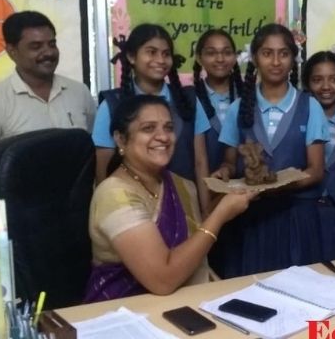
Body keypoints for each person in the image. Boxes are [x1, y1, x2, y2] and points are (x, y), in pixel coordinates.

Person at [85, 95, 255, 302]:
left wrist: (229, 197)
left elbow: (195, 254)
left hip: (187, 304)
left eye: (168, 128)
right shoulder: (114, 195)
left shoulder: (182, 185)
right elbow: (163, 281)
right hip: (126, 310)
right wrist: (220, 215)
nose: (163, 137)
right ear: (121, 139)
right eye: (148, 128)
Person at [212, 23, 328, 277]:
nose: (276, 62)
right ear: (255, 58)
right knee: (251, 288)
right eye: (267, 53)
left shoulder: (310, 107)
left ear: (293, 59)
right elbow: (230, 162)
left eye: (283, 54)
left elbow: (316, 170)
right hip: (250, 219)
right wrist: (224, 172)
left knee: (297, 288)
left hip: (296, 219)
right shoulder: (238, 108)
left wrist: (281, 186)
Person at [0, 11, 96, 184]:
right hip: (20, 200)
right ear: (12, 52)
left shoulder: (79, 92)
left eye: (52, 44)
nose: (48, 53)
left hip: (79, 198)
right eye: (36, 47)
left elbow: (91, 147)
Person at [92, 23, 212, 213]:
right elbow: (103, 170)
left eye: (166, 54)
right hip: (133, 210)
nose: (160, 60)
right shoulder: (111, 105)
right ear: (131, 56)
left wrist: (205, 212)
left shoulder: (188, 100)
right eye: (151, 52)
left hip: (185, 209)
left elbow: (200, 162)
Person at [301, 51, 335, 261]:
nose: (326, 86)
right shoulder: (298, 118)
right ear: (307, 83)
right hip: (304, 210)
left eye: (334, 79)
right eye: (317, 80)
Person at [192, 29, 243, 178]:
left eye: (227, 52)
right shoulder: (189, 99)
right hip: (201, 183)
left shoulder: (248, 96)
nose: (220, 59)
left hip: (246, 185)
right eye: (211, 53)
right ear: (199, 58)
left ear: (235, 57)